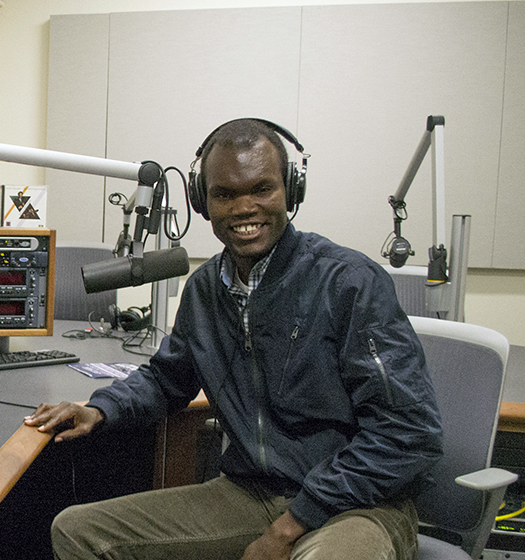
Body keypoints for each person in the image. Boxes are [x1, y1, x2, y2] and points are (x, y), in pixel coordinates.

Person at [25, 118, 443, 560]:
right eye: (225, 194)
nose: (244, 208)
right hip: (252, 494)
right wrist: (99, 409)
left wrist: (288, 529)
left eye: (262, 189)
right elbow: (168, 379)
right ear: (203, 202)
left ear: (290, 191)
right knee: (78, 531)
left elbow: (408, 432)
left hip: (358, 504)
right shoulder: (205, 290)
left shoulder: (349, 283)